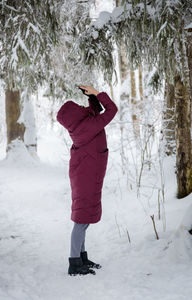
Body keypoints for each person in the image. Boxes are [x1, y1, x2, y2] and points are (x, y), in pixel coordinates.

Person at [56, 85, 118, 276]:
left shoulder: (82, 124)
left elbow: (94, 111)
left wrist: (91, 97)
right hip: (86, 175)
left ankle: (81, 257)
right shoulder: (86, 127)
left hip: (86, 172)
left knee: (84, 217)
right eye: (78, 107)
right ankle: (74, 263)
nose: (82, 108)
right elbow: (111, 110)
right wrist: (99, 94)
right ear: (75, 114)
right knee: (82, 220)